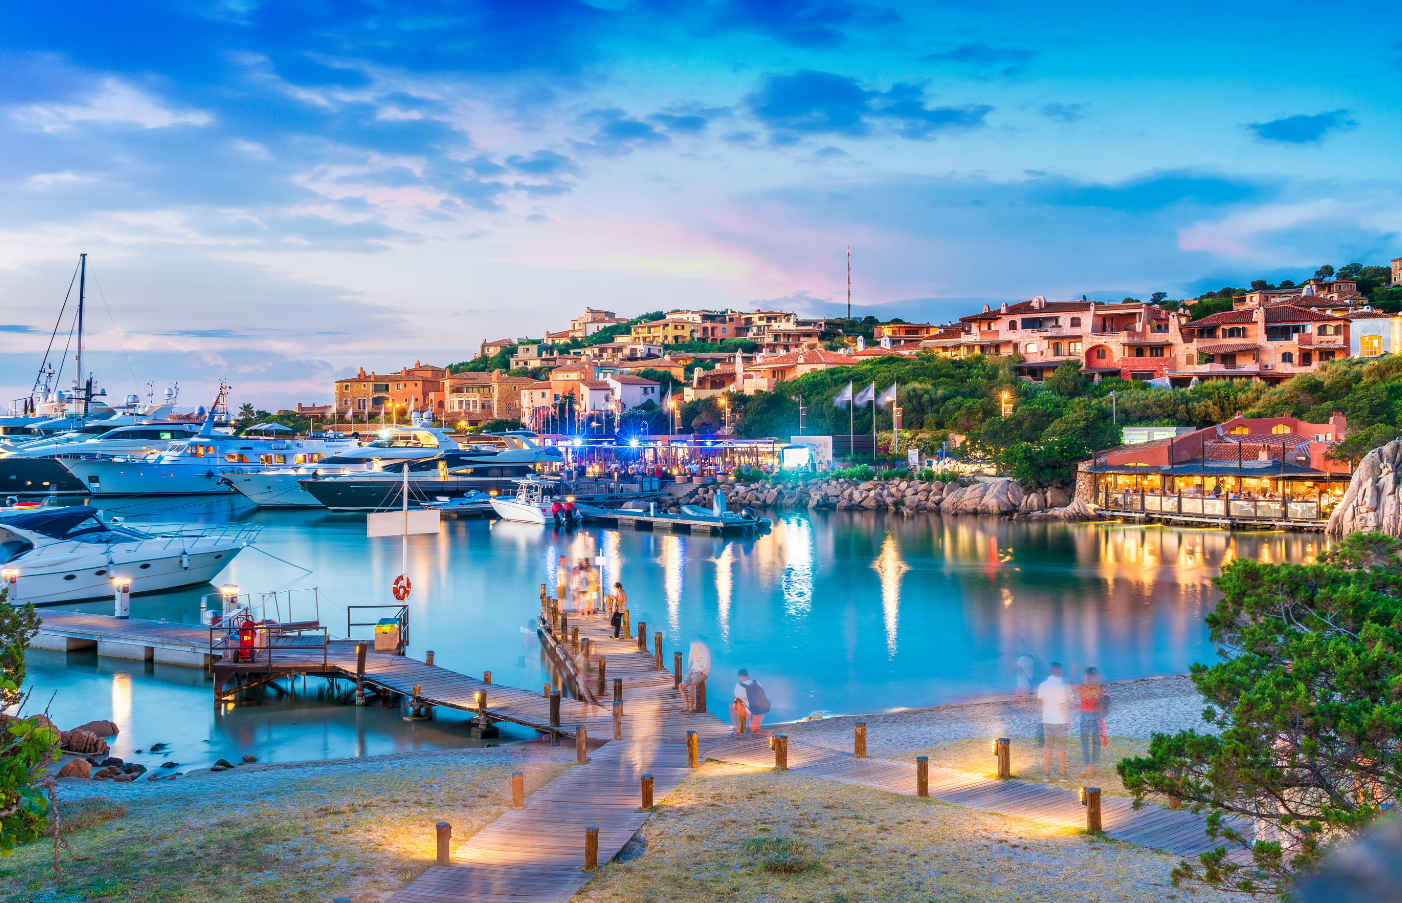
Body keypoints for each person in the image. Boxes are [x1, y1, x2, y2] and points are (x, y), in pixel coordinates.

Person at [1037, 662, 1072, 780]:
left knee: (1048, 747)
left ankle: (1046, 774)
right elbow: (1064, 705)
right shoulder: (1062, 686)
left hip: (1047, 720)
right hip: (1061, 721)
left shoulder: (1043, 685)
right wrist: (1068, 721)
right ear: (1060, 670)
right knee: (1061, 748)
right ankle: (1062, 774)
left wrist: (1040, 718)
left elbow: (1040, 703)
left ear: (1051, 670)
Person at [1076, 667, 1105, 777]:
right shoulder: (1098, 687)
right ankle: (1093, 766)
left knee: (1085, 742)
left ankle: (1088, 767)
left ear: (1087, 676)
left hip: (1085, 715)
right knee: (1095, 741)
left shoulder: (1082, 686)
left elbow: (1070, 687)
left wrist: (1073, 673)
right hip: (1096, 715)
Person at [731, 669, 770, 735]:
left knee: (734, 705)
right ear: (748, 676)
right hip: (761, 712)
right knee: (754, 732)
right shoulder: (757, 682)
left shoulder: (739, 686)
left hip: (751, 713)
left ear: (739, 677)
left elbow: (735, 700)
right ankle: (767, 734)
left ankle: (738, 728)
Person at [679, 640, 711, 711]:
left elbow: (704, 666)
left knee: (691, 687)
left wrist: (696, 658)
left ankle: (691, 708)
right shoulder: (696, 651)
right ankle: (686, 705)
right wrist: (689, 673)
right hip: (695, 673)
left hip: (702, 672)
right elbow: (695, 665)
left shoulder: (704, 651)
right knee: (681, 686)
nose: (693, 649)